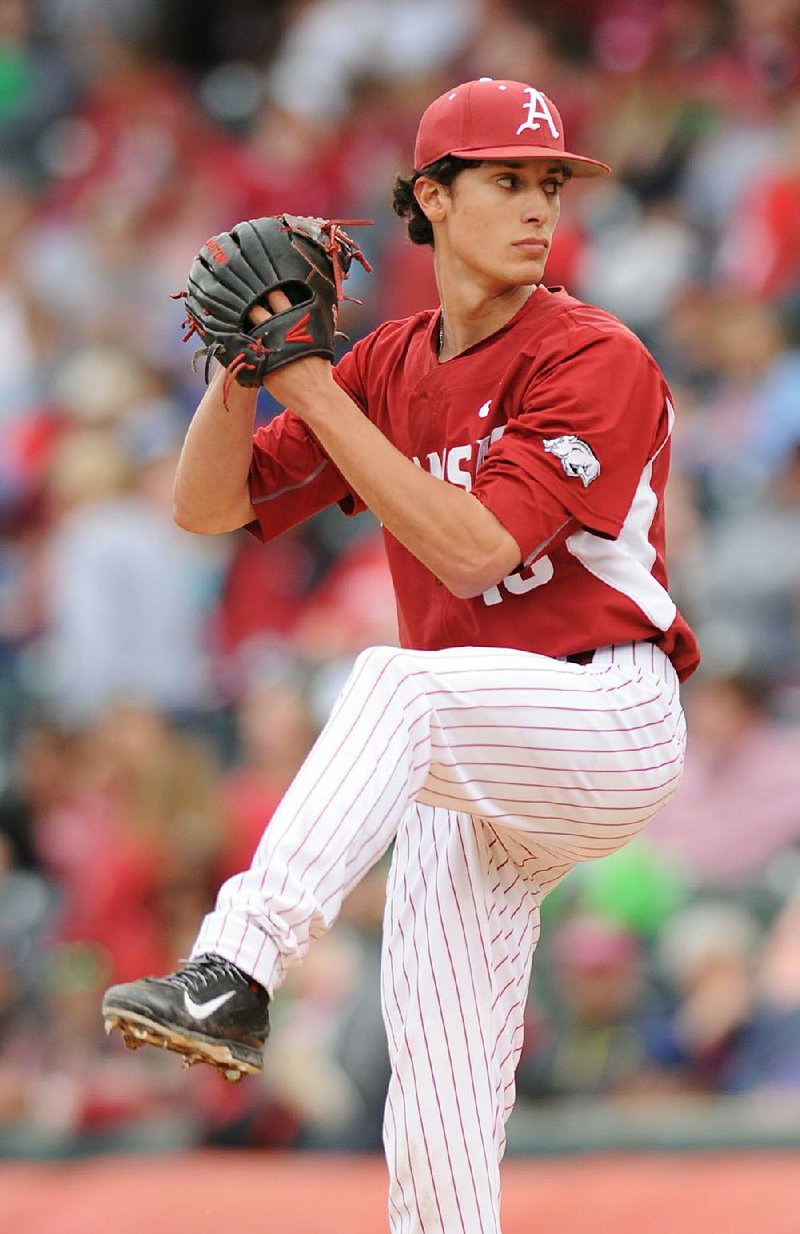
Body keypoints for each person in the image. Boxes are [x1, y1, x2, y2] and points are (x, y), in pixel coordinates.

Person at [102, 78, 699, 1234]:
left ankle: (236, 966)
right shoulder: (384, 364)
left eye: (549, 183)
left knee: (386, 678)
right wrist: (246, 369)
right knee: (433, 1113)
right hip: (465, 757)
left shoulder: (593, 355)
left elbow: (476, 556)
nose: (538, 206)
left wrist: (313, 388)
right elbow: (207, 508)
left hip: (601, 718)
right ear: (430, 196)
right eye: (507, 180)